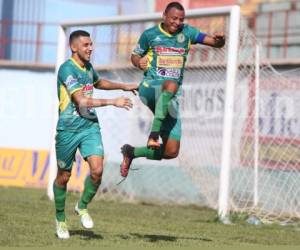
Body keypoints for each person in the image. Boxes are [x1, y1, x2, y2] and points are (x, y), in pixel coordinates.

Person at [120, 1, 225, 178]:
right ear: (164, 17)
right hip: (149, 87)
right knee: (171, 83)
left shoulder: (188, 32)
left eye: (181, 19)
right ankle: (153, 135)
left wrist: (220, 40)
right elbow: (135, 55)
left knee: (171, 151)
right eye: (174, 18)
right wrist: (139, 62)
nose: (177, 22)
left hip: (171, 95)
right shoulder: (150, 34)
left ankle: (131, 152)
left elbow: (214, 43)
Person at [53, 30, 137, 239]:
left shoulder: (88, 68)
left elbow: (98, 83)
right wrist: (113, 101)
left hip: (89, 126)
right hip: (68, 130)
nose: (91, 48)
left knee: (97, 171)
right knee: (64, 177)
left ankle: (82, 207)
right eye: (86, 45)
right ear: (74, 47)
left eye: (91, 44)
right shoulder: (67, 70)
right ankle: (60, 220)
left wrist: (124, 86)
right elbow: (81, 101)